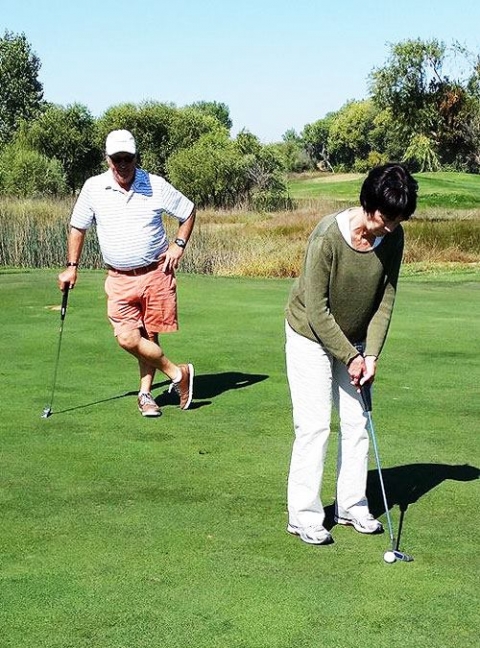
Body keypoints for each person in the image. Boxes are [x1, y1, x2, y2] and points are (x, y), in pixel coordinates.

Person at [284, 163, 418, 545]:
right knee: (314, 426)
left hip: (357, 341)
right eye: (386, 218)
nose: (390, 226)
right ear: (367, 203)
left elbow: (385, 300)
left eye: (399, 219)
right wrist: (351, 356)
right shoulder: (328, 236)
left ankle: (352, 505)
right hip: (309, 335)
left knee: (358, 423)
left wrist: (371, 355)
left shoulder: (393, 237)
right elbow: (316, 308)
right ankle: (304, 515)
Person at [58, 129, 196, 417]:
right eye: (116, 158)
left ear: (136, 157)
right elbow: (78, 227)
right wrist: (72, 267)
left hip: (156, 272)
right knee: (127, 338)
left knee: (150, 335)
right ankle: (178, 373)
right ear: (107, 159)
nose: (122, 164)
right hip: (118, 277)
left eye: (128, 158)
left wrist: (178, 245)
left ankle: (146, 396)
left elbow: (188, 211)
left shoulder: (154, 185)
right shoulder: (94, 187)